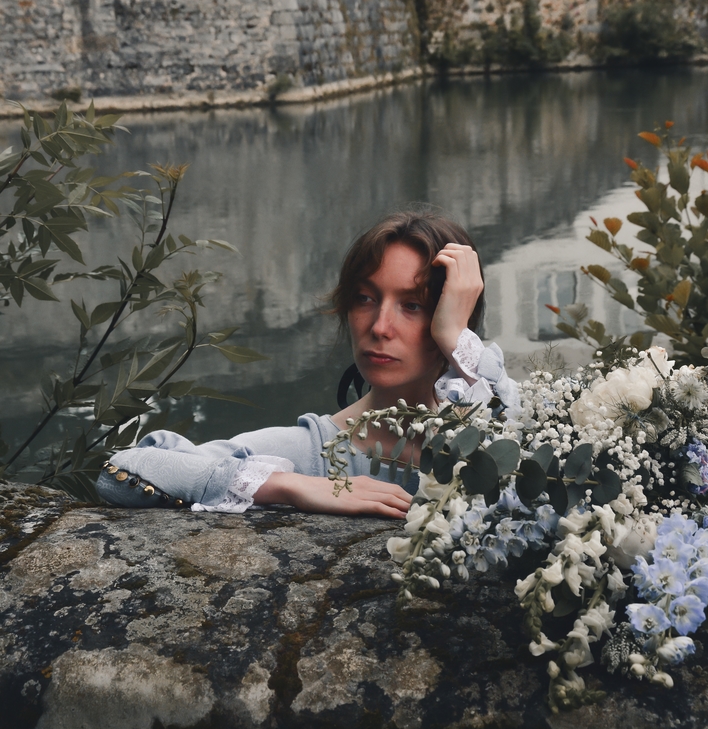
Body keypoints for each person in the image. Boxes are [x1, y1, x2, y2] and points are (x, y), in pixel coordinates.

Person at [97, 210, 519, 518]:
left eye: (412, 305)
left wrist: (455, 336)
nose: (379, 327)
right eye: (365, 299)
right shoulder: (312, 450)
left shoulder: (491, 417)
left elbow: (518, 440)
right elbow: (124, 469)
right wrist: (291, 485)